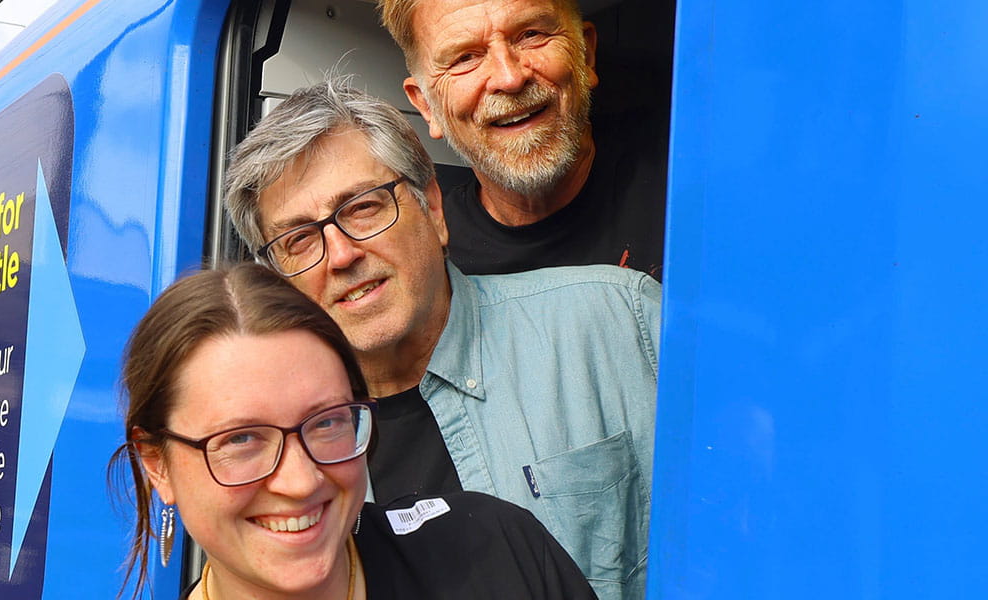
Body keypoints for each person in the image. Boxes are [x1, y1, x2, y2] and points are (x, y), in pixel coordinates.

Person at [221, 76, 657, 600]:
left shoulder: (618, 321)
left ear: (432, 206)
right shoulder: (279, 450)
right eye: (299, 239)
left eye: (362, 208)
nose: (341, 255)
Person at [115, 264, 595, 599]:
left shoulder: (497, 554)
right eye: (241, 439)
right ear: (157, 464)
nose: (301, 481)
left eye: (326, 422)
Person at [378, 0, 666, 278]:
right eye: (465, 58)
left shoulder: (681, 170)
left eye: (531, 35)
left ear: (585, 54)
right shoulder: (430, 263)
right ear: (427, 106)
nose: (510, 79)